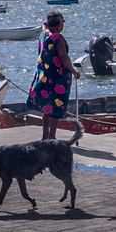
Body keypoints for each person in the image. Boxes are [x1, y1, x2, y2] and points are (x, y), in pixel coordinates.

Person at [26, 10, 81, 140]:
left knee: (47, 108)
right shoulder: (58, 38)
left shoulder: (43, 35)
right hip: (57, 78)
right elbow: (64, 57)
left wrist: (46, 25)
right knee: (55, 109)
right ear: (57, 25)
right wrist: (73, 71)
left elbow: (44, 26)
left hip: (44, 77)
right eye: (62, 22)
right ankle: (52, 136)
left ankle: (45, 136)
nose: (64, 25)